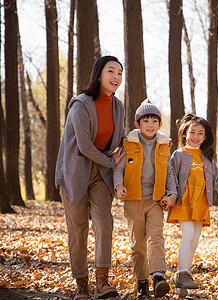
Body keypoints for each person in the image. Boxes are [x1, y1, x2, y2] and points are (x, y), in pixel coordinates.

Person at [55, 56, 126, 299]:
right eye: (111, 71)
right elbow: (84, 145)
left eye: (119, 72)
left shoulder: (119, 106)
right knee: (77, 229)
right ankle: (82, 286)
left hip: (101, 174)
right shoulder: (81, 104)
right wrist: (110, 161)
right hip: (75, 171)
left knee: (104, 223)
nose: (116, 76)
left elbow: (122, 140)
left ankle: (102, 282)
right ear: (99, 75)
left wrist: (153, 141)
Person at [113, 99, 177, 299]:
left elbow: (169, 172)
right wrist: (118, 186)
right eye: (145, 120)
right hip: (133, 200)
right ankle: (142, 282)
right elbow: (119, 168)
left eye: (154, 121)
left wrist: (172, 194)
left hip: (155, 201)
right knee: (138, 244)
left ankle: (158, 276)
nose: (150, 124)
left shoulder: (164, 146)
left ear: (159, 124)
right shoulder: (128, 144)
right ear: (137, 125)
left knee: (156, 237)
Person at [167, 114, 218, 290]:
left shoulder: (207, 158)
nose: (195, 137)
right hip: (183, 202)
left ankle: (182, 279)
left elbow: (217, 182)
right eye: (192, 132)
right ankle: (182, 273)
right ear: (184, 134)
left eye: (200, 133)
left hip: (200, 204)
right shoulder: (178, 155)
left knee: (194, 242)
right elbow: (170, 177)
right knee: (187, 236)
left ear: (205, 137)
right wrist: (169, 196)